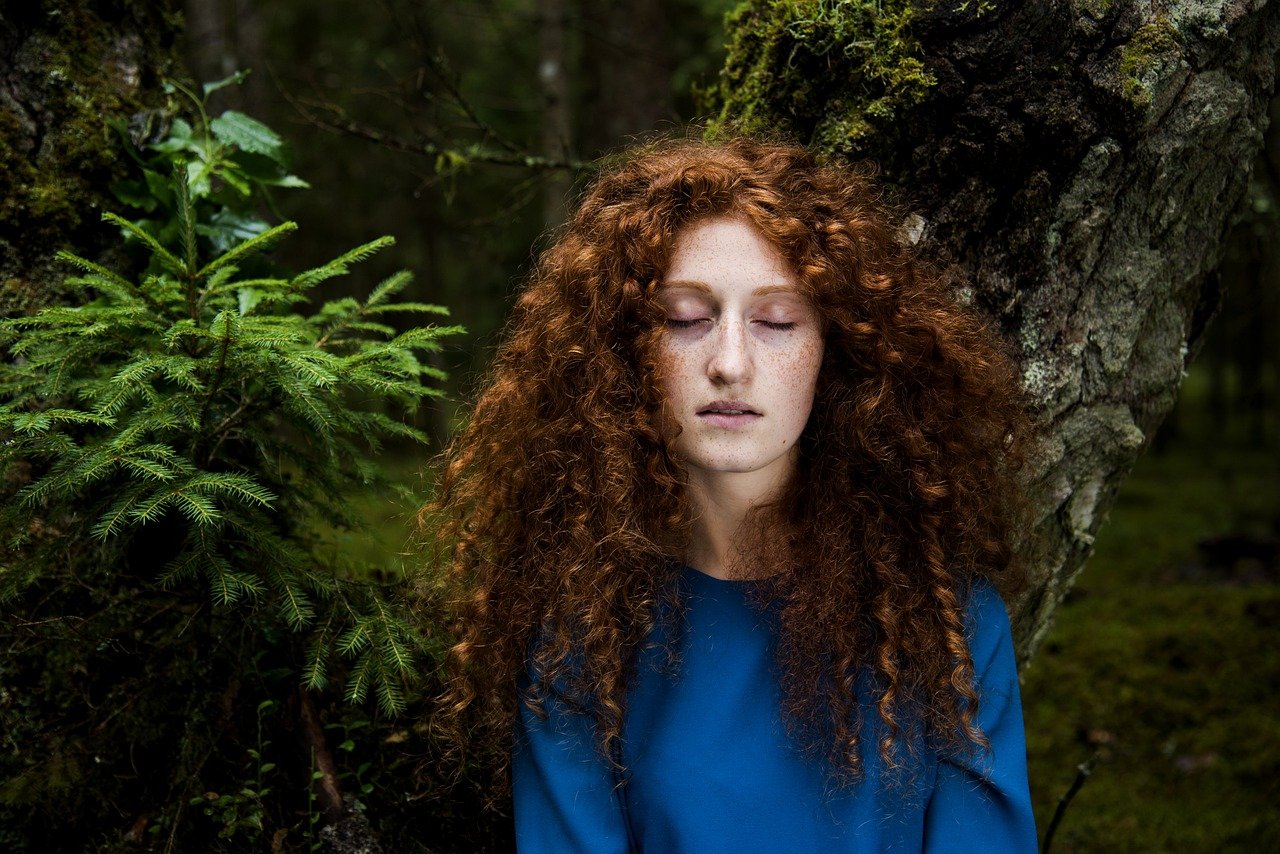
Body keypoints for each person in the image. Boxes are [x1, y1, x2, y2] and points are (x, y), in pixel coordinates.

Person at [425, 136, 1040, 852]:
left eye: (777, 322)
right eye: (684, 318)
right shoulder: (582, 635)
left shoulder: (949, 626)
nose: (729, 363)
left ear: (836, 351)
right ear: (625, 352)